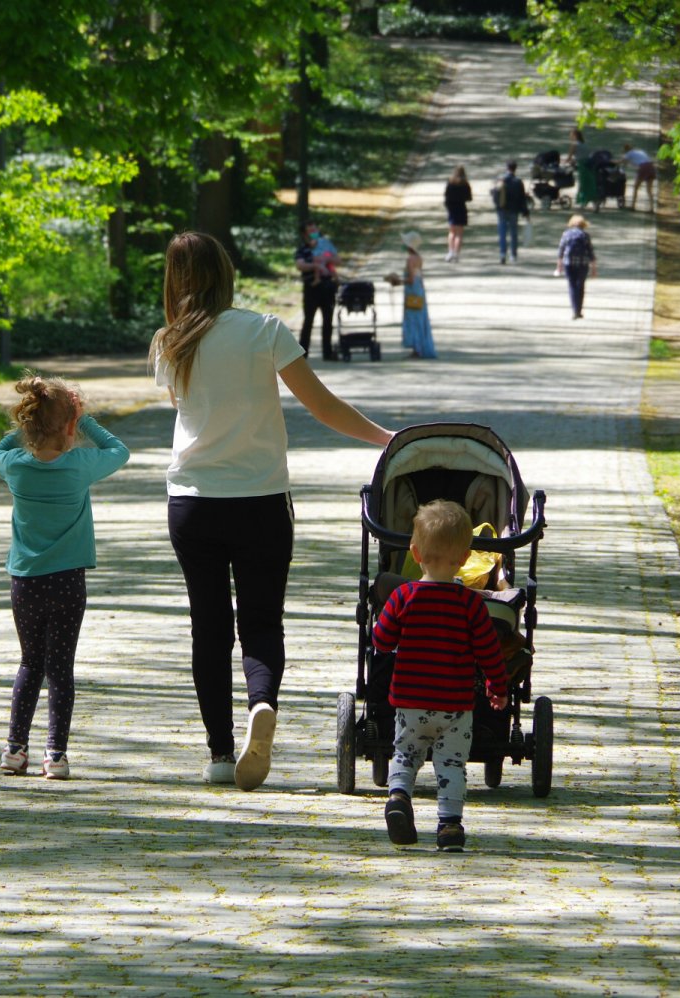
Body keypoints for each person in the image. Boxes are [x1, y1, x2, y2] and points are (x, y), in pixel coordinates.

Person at [151, 231, 394, 791]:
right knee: (260, 622)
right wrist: (385, 438)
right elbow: (323, 406)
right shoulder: (264, 331)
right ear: (226, 274)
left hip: (192, 503)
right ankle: (262, 702)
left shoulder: (169, 343)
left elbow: (189, 411)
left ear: (175, 281)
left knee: (207, 627)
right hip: (260, 501)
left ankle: (218, 752)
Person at [0, 374, 130, 780]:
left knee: (30, 663)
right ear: (70, 426)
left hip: (26, 581)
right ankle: (56, 754)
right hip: (68, 581)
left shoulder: (15, 467)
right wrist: (84, 421)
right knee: (60, 668)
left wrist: (24, 432)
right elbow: (118, 450)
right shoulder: (79, 465)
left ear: (28, 422)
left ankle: (15, 749)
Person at [372, 500, 509, 852]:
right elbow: (489, 653)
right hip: (454, 707)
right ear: (464, 558)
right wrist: (497, 687)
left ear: (415, 553)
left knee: (405, 755)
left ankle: (399, 798)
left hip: (411, 703)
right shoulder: (471, 604)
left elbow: (382, 640)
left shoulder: (404, 596)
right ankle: (449, 827)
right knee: (451, 765)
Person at [386, 231, 436, 359]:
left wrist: (397, 281)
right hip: (419, 290)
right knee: (420, 318)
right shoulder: (419, 258)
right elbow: (420, 276)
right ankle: (420, 347)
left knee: (413, 319)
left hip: (412, 290)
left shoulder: (410, 260)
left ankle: (416, 348)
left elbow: (411, 279)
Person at [293, 221, 338, 361]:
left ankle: (328, 352)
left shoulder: (326, 245)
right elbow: (300, 265)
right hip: (311, 288)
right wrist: (315, 265)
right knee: (308, 320)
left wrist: (327, 259)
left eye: (315, 229)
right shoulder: (302, 249)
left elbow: (338, 259)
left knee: (328, 320)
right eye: (310, 230)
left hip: (327, 286)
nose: (314, 232)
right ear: (304, 234)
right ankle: (303, 353)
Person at [555, 214, 598, 320]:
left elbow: (560, 251)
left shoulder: (566, 234)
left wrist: (558, 267)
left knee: (572, 285)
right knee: (581, 286)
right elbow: (591, 252)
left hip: (569, 263)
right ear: (583, 224)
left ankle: (574, 310)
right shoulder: (585, 235)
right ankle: (579, 310)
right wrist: (594, 269)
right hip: (583, 264)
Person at [493, 160, 530, 264]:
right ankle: (513, 255)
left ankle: (502, 254)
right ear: (515, 168)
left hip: (502, 210)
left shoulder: (501, 180)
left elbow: (495, 194)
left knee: (502, 233)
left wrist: (498, 207)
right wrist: (525, 212)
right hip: (514, 210)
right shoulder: (518, 182)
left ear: (507, 168)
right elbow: (522, 199)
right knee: (514, 234)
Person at [443, 166, 472, 262]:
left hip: (451, 209)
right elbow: (469, 198)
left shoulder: (450, 183)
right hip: (461, 209)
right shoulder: (465, 184)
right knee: (459, 234)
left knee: (451, 232)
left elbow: (446, 196)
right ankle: (456, 254)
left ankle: (450, 252)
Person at [621, 144, 656, 212]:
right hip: (651, 167)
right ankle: (652, 208)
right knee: (649, 190)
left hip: (643, 168)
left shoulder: (628, 153)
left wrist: (612, 161)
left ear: (625, 150)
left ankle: (633, 206)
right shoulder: (640, 152)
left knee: (636, 187)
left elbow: (622, 162)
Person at [567, 127, 596, 209]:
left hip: (582, 165)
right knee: (589, 182)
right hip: (589, 164)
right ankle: (592, 200)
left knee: (582, 183)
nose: (570, 136)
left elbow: (570, 157)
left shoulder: (574, 144)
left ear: (575, 135)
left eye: (571, 134)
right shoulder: (584, 144)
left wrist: (567, 161)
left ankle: (583, 201)